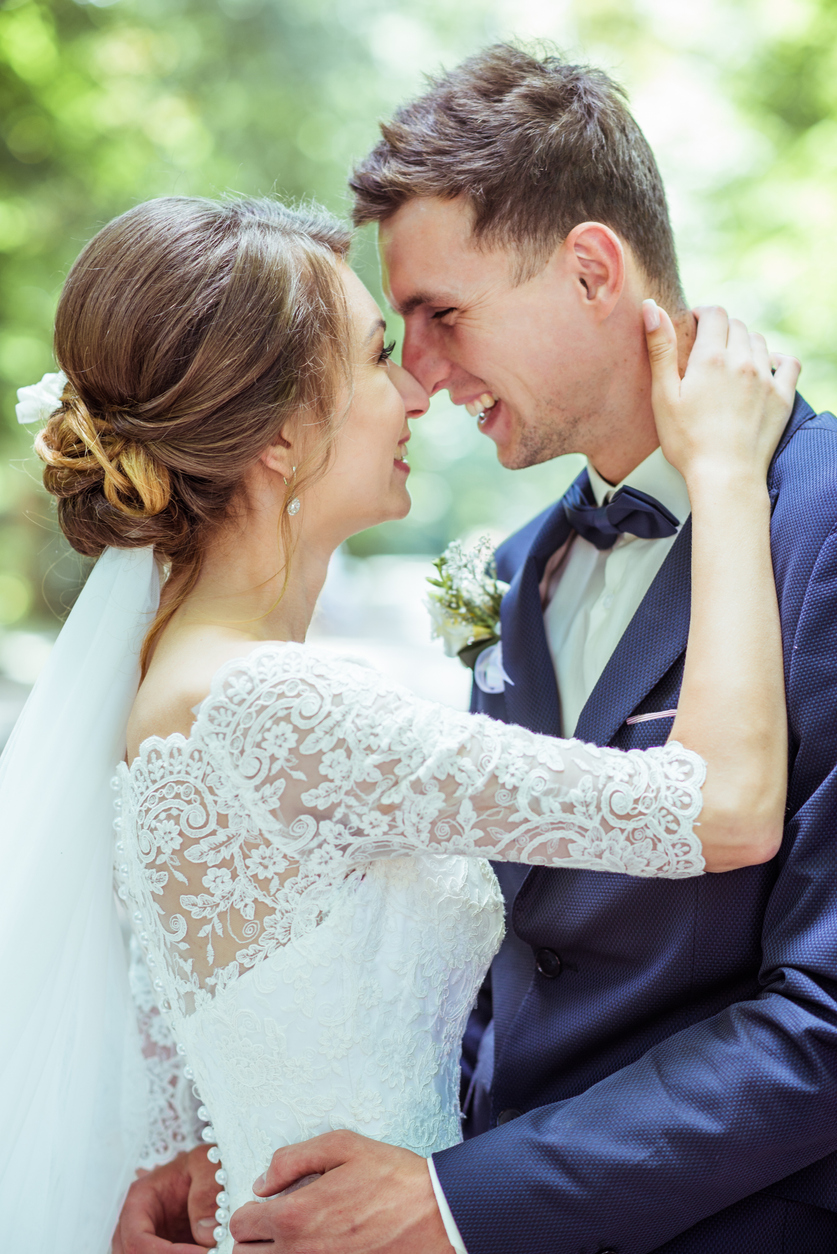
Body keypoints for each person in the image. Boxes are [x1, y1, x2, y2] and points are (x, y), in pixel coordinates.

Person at [135, 46, 837, 1254]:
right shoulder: (514, 575)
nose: (419, 373)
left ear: (590, 270)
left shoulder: (815, 527)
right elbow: (502, 958)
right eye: (393, 332)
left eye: (441, 315)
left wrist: (464, 1200)